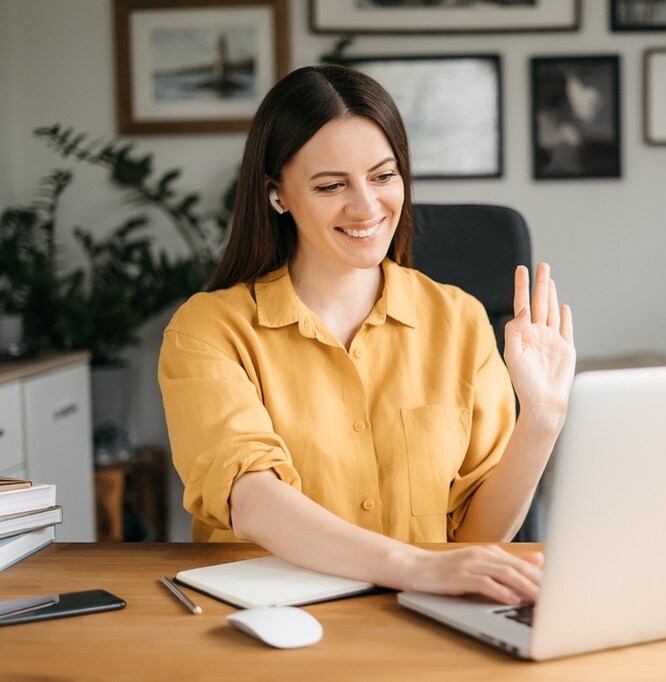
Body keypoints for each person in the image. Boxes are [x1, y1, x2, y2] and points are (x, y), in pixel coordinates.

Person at [158, 65, 576, 606]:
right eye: (331, 185)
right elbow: (252, 498)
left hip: (423, 616)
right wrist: (413, 566)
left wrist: (541, 418)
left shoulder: (461, 320)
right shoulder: (208, 330)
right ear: (277, 194)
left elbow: (476, 540)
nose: (365, 207)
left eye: (383, 176)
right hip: (269, 619)